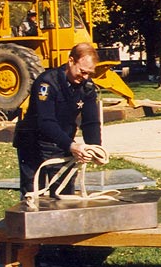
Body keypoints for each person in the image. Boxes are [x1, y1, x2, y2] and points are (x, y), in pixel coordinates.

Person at [13, 42, 102, 198]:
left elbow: (91, 122)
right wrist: (72, 145)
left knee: (64, 195)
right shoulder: (47, 83)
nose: (85, 77)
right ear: (71, 61)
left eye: (89, 73)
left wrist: (95, 148)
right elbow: (45, 122)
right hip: (33, 142)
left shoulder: (87, 87)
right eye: (82, 71)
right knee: (32, 195)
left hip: (61, 143)